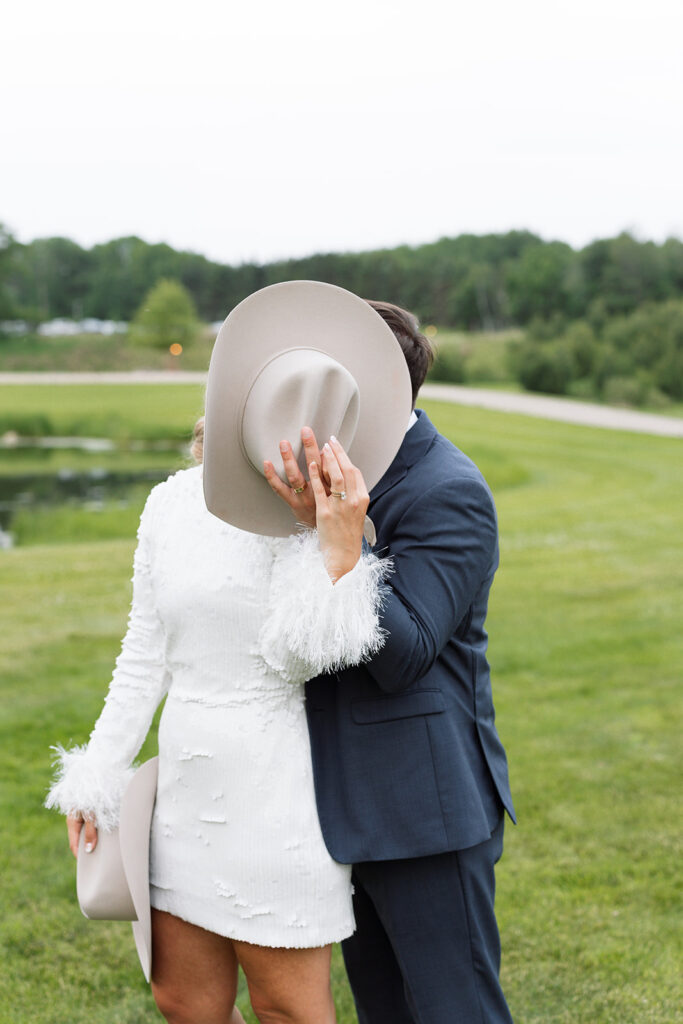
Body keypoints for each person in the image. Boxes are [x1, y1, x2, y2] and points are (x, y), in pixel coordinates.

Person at [45, 415, 392, 1024]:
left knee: (286, 1009)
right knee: (184, 1003)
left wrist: (320, 537)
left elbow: (304, 658)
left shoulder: (317, 514)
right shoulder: (168, 502)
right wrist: (96, 773)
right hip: (183, 796)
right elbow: (144, 654)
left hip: (279, 798)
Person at [268, 301, 517, 1024]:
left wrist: (348, 549)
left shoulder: (449, 489)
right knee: (384, 1012)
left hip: (424, 810)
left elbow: (403, 655)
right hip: (347, 808)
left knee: (456, 1011)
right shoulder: (340, 476)